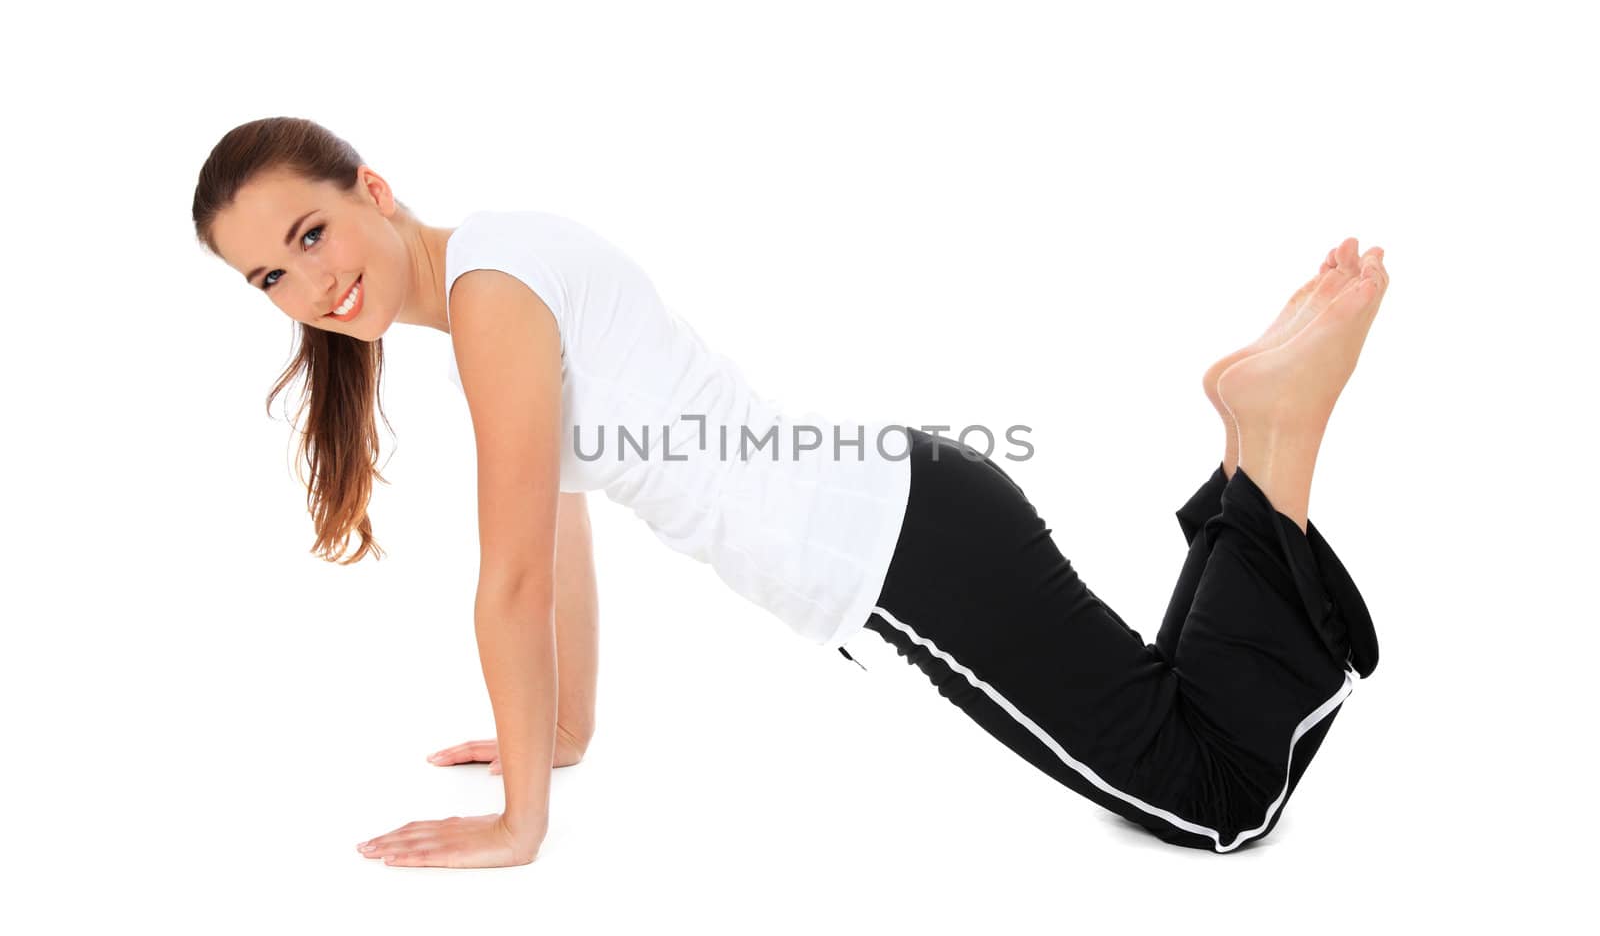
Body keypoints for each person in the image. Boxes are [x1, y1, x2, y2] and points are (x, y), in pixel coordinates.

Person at [194, 116, 1387, 868]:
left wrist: (520, 823)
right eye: (268, 275)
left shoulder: (493, 298)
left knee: (1218, 800)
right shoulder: (499, 272)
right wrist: (559, 732)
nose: (308, 280)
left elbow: (503, 578)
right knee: (1174, 719)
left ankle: (1273, 441)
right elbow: (558, 537)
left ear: (372, 186)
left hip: (904, 563)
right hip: (918, 513)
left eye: (310, 230)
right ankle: (1248, 458)